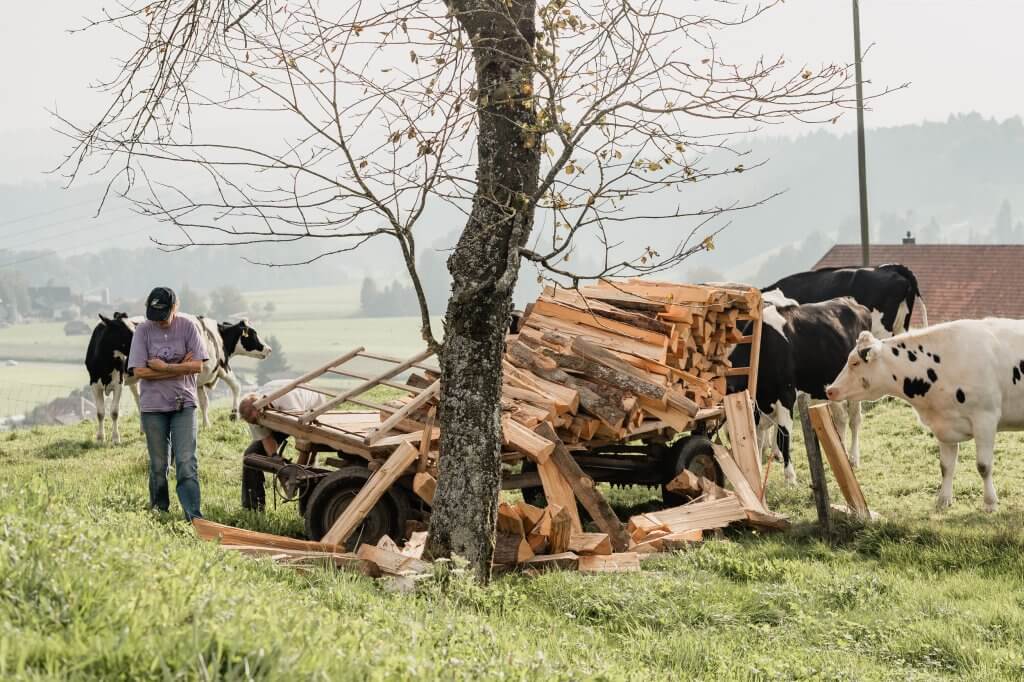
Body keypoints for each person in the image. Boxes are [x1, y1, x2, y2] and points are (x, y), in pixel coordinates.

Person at [127, 286, 208, 520]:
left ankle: (193, 516)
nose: (159, 322)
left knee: (186, 461)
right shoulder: (143, 331)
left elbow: (198, 366)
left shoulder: (188, 327)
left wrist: (164, 368)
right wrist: (180, 367)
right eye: (155, 317)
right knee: (158, 464)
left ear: (175, 307)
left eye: (164, 316)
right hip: (153, 407)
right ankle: (159, 510)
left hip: (184, 403)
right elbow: (140, 371)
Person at [237, 379, 329, 510]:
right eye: (253, 422)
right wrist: (278, 465)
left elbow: (304, 443)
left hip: (310, 408)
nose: (255, 424)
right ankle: (254, 507)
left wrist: (295, 476)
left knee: (309, 462)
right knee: (251, 455)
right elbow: (266, 439)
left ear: (262, 409)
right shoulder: (252, 415)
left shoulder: (289, 404)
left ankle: (308, 506)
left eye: (256, 421)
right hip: (275, 416)